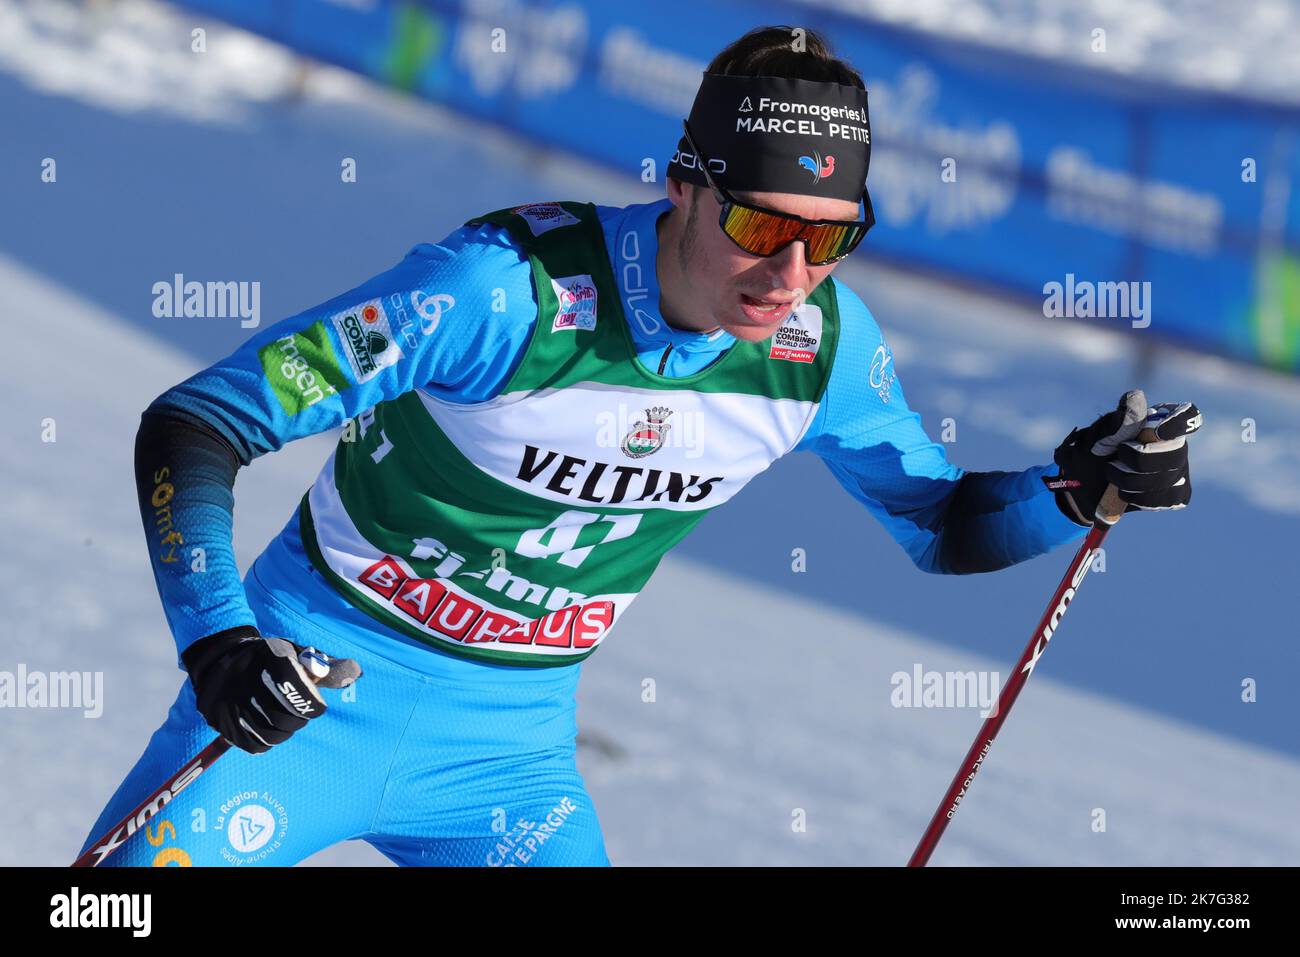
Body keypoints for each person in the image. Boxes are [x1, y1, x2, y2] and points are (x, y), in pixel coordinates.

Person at [78, 25, 1197, 867]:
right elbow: (199, 424)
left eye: (831, 240)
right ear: (681, 186)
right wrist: (221, 645)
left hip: (505, 764)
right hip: (303, 699)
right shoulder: (499, 291)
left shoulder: (819, 350)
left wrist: (1078, 486)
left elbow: (943, 525)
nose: (790, 275)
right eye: (763, 227)